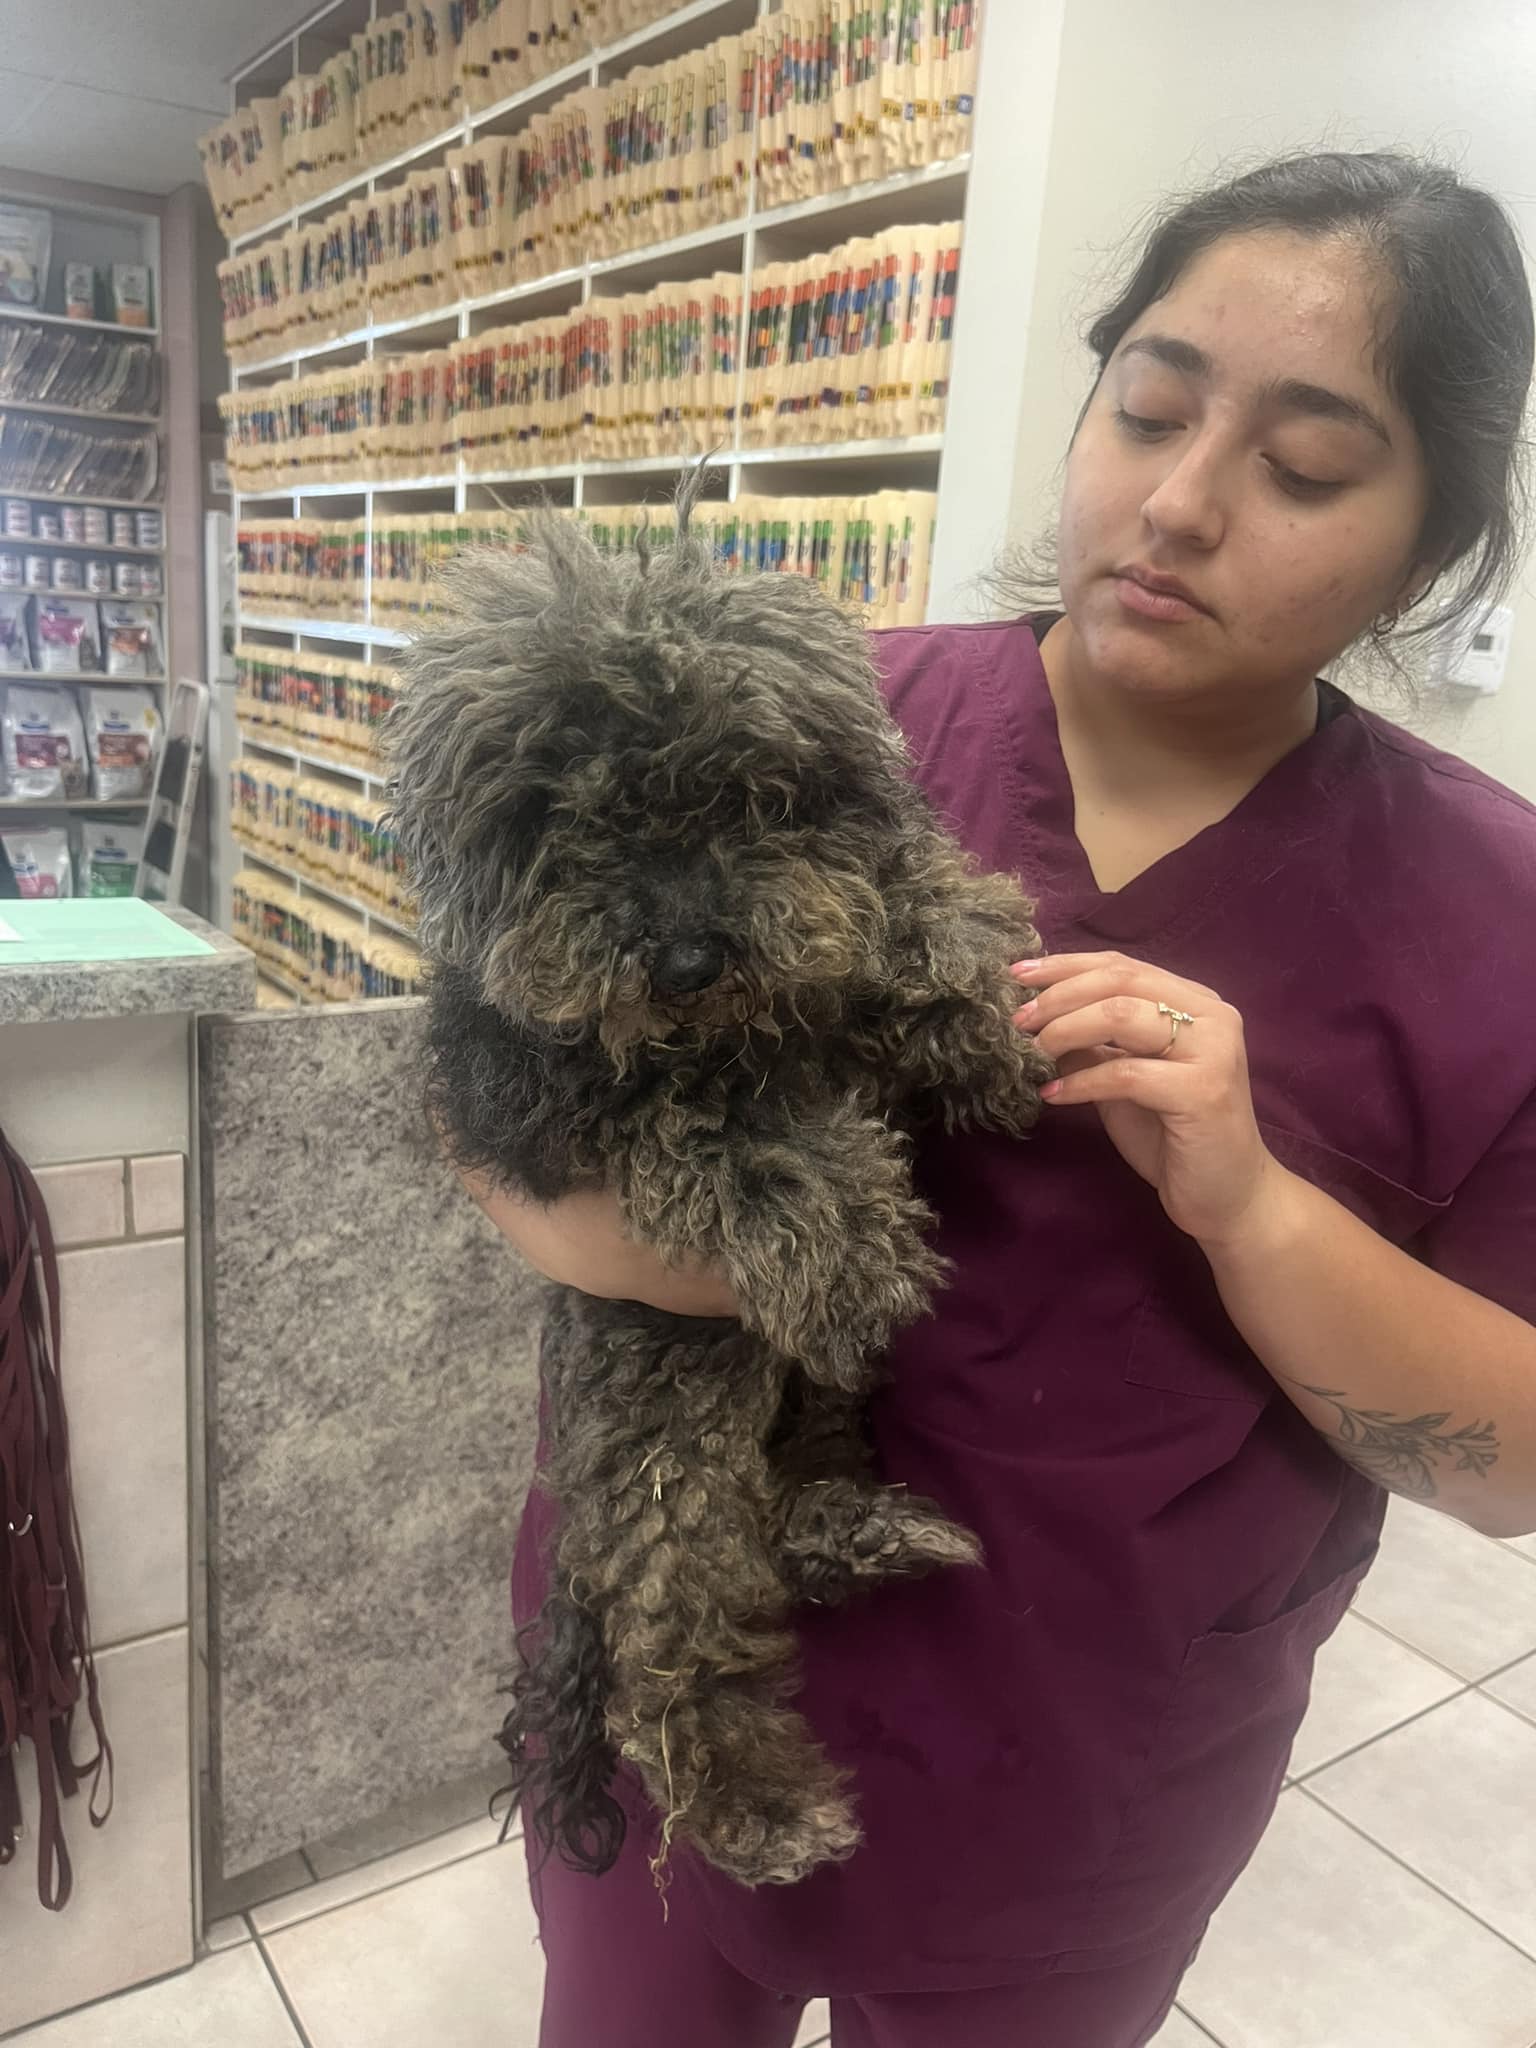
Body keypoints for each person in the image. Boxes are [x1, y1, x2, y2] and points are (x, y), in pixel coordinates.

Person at [466, 152, 1536, 2047]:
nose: (1182, 504)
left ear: (1436, 545)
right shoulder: (807, 726)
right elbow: (490, 1051)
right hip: (667, 1654)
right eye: (1147, 407)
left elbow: (1512, 1467)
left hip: (1072, 1780)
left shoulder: (1495, 923)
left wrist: (1255, 1206)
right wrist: (626, 1235)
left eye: (1302, 468)